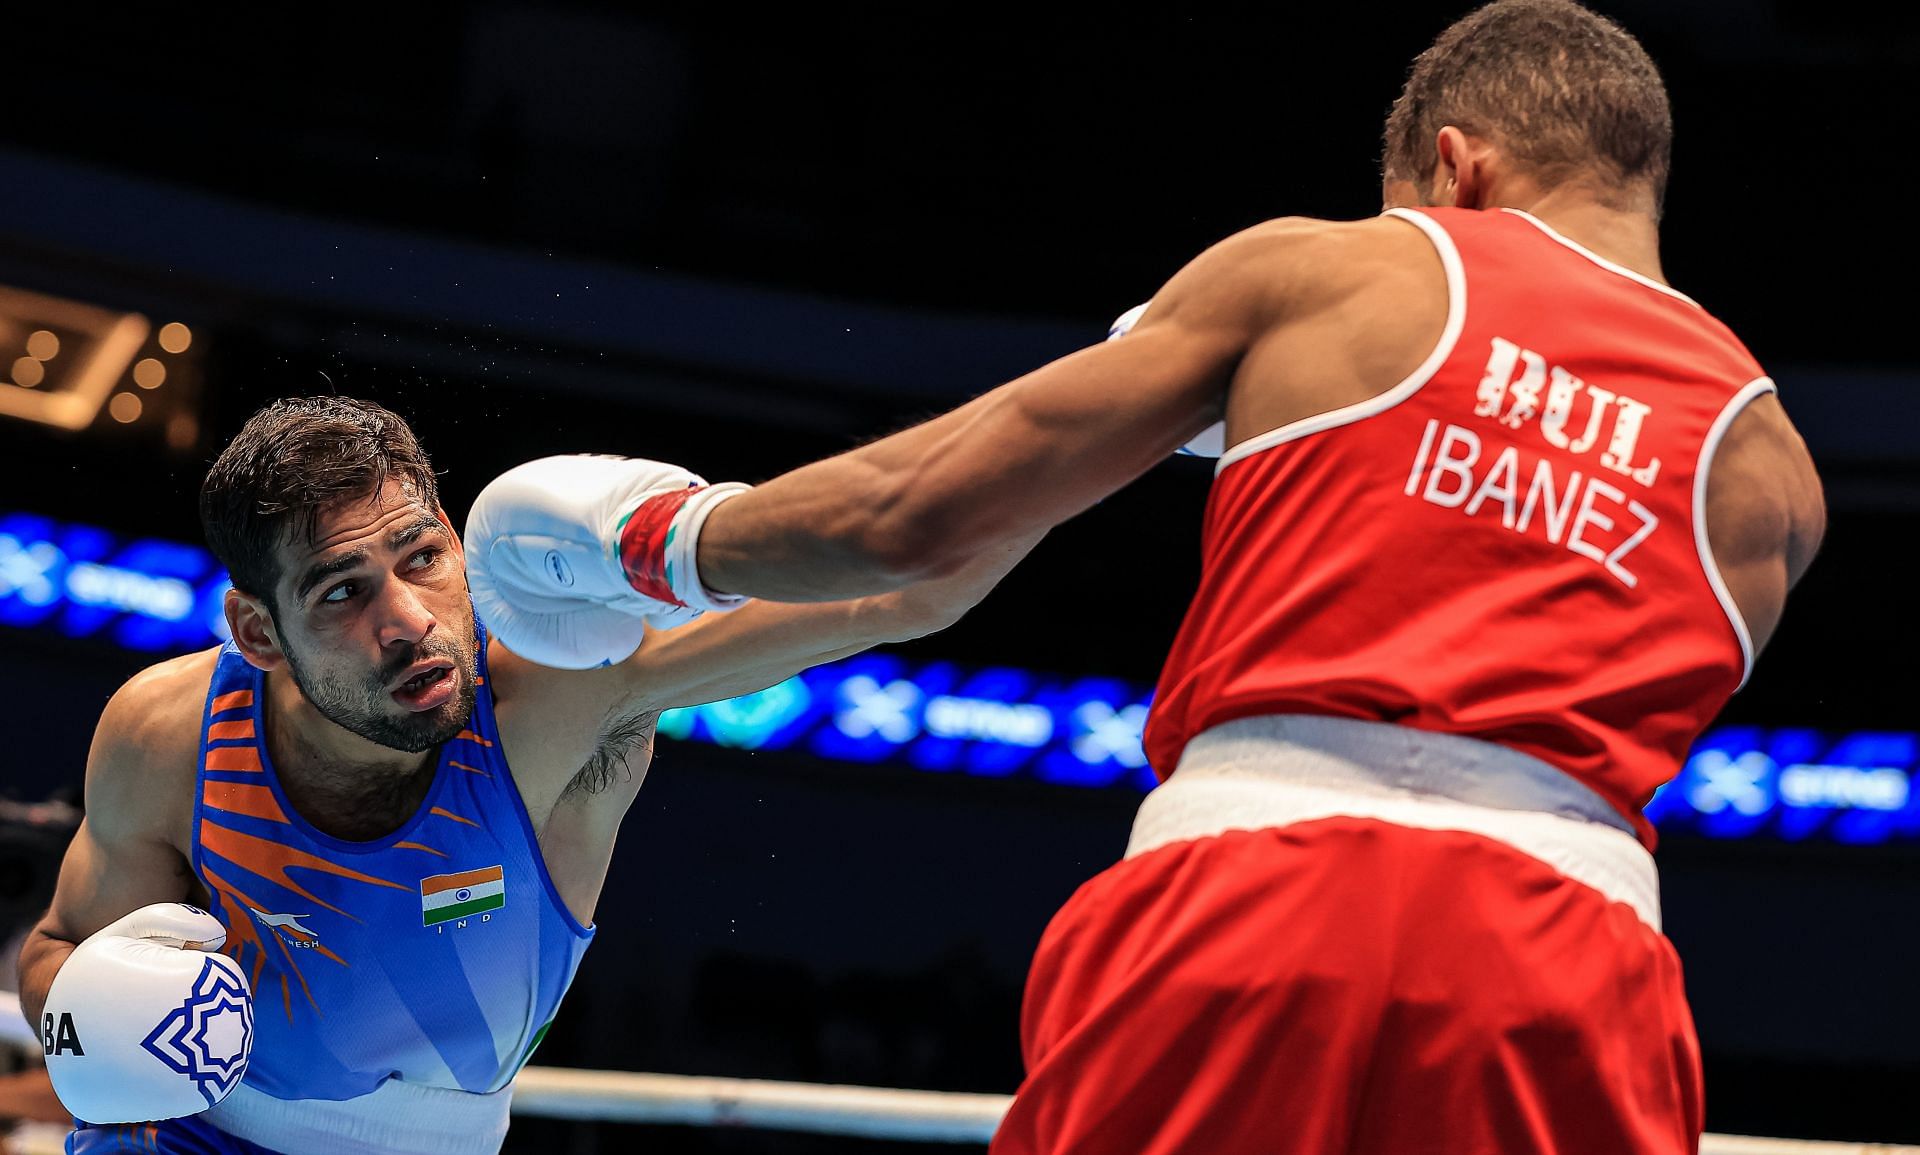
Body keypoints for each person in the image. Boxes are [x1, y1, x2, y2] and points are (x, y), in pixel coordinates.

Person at [471, 1, 1827, 1150]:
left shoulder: (1340, 273)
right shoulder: (1774, 477)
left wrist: (652, 538)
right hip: (1573, 965)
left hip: (1258, 901)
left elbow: (915, 526)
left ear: (1451, 171)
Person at [14, 395, 1038, 1155]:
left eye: (422, 558)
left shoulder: (564, 700)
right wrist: (85, 1018)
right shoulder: (170, 731)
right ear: (256, 632)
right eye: (341, 591)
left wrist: (1146, 389)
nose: (408, 621)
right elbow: (57, 947)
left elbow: (915, 584)